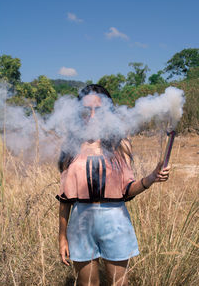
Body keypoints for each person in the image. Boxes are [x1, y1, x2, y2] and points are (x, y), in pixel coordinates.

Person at [56, 84, 170, 286]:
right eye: (86, 110)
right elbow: (65, 200)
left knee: (119, 283)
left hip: (115, 221)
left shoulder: (120, 144)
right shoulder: (71, 146)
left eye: (98, 110)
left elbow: (127, 191)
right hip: (80, 222)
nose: (91, 116)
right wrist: (62, 237)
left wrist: (151, 177)